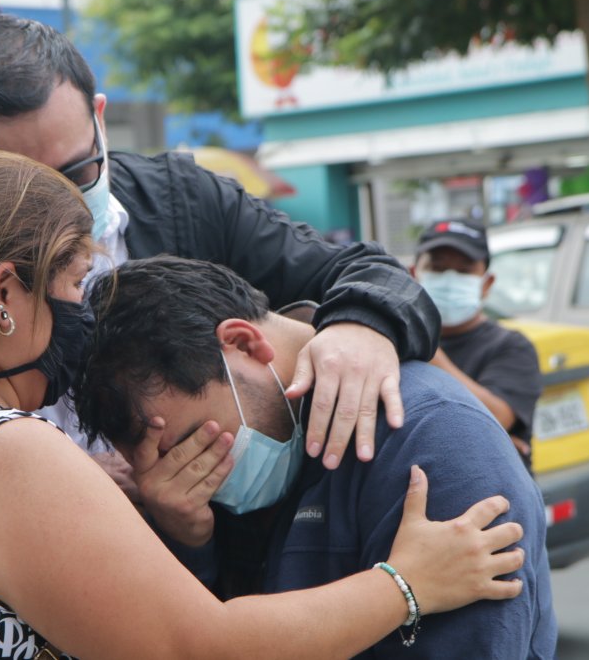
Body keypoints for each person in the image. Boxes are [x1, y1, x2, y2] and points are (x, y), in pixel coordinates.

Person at [0, 148, 526, 659]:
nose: (81, 318)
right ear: (5, 295)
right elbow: (199, 646)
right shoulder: (2, 453)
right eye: (73, 287)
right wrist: (405, 584)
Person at [0, 14, 442, 489]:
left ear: (100, 115)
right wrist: (60, 491)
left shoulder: (185, 200)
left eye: (78, 172)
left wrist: (362, 325)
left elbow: (363, 270)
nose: (64, 215)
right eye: (22, 192)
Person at [72, 256, 557, 659]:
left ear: (243, 343)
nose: (177, 476)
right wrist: (190, 544)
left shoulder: (433, 436)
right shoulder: (227, 473)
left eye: (189, 443)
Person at [410, 218, 542, 470]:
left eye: (463, 271)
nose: (449, 279)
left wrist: (425, 350)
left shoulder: (511, 347)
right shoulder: (391, 342)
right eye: (437, 268)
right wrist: (485, 440)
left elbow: (494, 417)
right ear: (414, 275)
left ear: (487, 283)